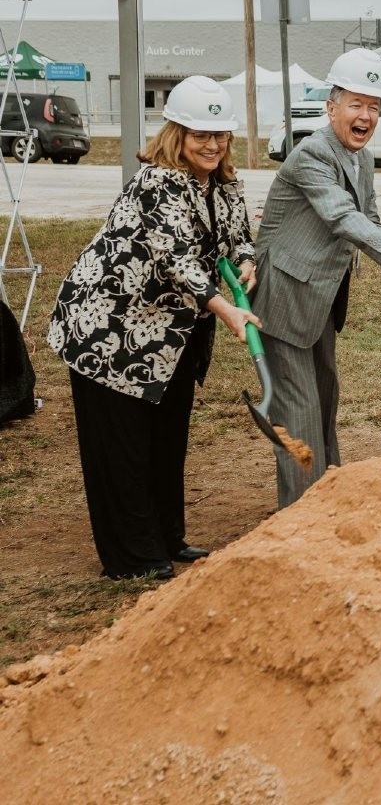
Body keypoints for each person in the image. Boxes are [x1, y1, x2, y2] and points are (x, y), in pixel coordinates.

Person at [48, 77, 260, 579]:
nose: (212, 145)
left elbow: (238, 238)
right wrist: (225, 309)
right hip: (110, 330)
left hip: (170, 335)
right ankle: (134, 556)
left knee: (166, 438)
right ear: (176, 133)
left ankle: (168, 537)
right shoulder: (156, 183)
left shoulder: (226, 185)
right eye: (200, 134)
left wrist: (246, 262)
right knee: (122, 445)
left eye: (221, 135)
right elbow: (176, 261)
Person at [251, 49, 381, 507]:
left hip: (321, 298)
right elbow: (340, 216)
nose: (366, 116)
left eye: (375, 107)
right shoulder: (310, 153)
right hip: (285, 296)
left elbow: (367, 217)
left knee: (325, 401)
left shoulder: (362, 159)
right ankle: (298, 517)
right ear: (331, 107)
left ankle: (325, 501)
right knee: (298, 410)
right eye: (356, 104)